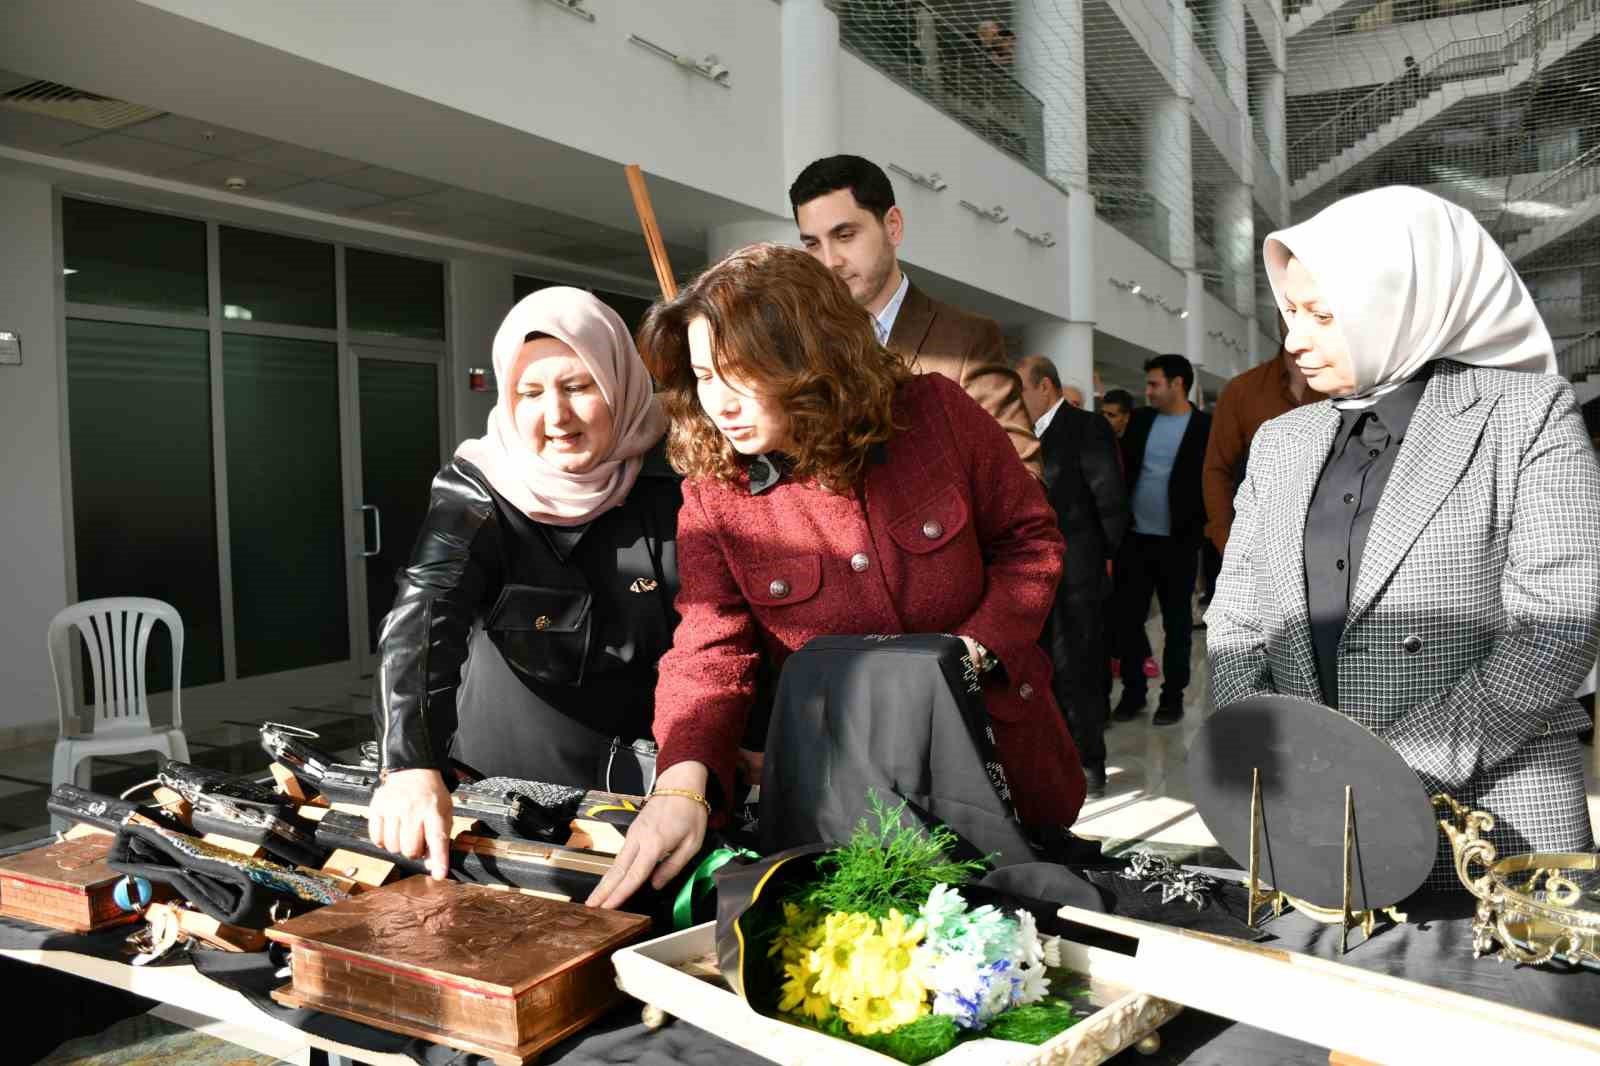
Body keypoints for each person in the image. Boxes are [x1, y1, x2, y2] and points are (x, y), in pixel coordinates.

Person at [588, 244, 1084, 908]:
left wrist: (966, 655)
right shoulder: (716, 491)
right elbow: (709, 649)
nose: (721, 403)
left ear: (811, 358)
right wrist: (681, 783)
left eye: (742, 374)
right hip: (845, 798)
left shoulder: (936, 414)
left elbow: (1031, 541)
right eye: (706, 376)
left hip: (999, 764)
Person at [1208, 186, 1600, 887]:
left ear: (1399, 304)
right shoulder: (1280, 442)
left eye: (1323, 316)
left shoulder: (1526, 414)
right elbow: (1236, 617)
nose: (1295, 340)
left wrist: (1383, 774)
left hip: (1494, 822)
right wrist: (1262, 754)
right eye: (1290, 312)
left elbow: (1559, 624)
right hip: (1317, 825)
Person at [368, 288, 681, 878]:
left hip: (651, 791)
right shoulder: (478, 486)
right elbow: (425, 613)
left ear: (618, 382)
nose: (555, 416)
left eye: (578, 387)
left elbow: (722, 631)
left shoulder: (676, 477)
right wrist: (410, 765)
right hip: (504, 786)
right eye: (529, 394)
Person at [789, 155, 1041, 477]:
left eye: (845, 235)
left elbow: (1022, 480)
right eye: (813, 244)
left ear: (892, 227)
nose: (829, 261)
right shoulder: (803, 347)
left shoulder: (965, 341)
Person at [1018, 357, 1129, 798]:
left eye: (1020, 390)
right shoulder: (1016, 436)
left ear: (1044, 387)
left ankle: (1089, 762)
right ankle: (1048, 760)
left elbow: (1111, 501)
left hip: (1075, 573)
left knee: (1077, 669)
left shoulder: (1086, 427)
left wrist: (1102, 559)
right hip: (1027, 577)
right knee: (1039, 670)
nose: (1014, 400)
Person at [1112, 354, 1211, 726]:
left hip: (1178, 542)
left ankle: (1172, 697)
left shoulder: (1205, 427)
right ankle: (1134, 693)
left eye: (1154, 384)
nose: (1147, 391)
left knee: (1177, 624)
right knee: (1128, 620)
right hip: (1134, 540)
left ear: (1177, 384)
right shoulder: (1139, 421)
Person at [1201, 332, 1320, 559]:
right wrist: (1227, 541)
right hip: (1261, 548)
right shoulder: (1243, 390)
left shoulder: (1348, 388)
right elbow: (1217, 470)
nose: (1298, 318)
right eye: (1290, 308)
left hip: (1334, 545)